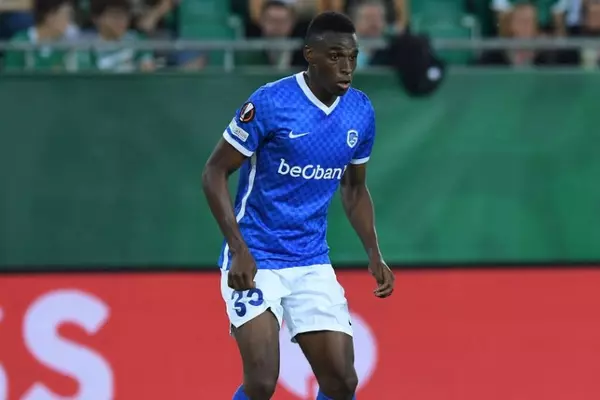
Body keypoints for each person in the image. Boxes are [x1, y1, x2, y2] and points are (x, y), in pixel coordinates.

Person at [202, 11, 394, 400]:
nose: (347, 67)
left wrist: (374, 252)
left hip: (310, 260)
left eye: (352, 57)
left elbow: (354, 188)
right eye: (335, 56)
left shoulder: (359, 111)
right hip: (256, 256)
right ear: (310, 54)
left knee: (342, 382)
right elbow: (214, 172)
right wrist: (238, 249)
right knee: (261, 382)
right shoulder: (271, 103)